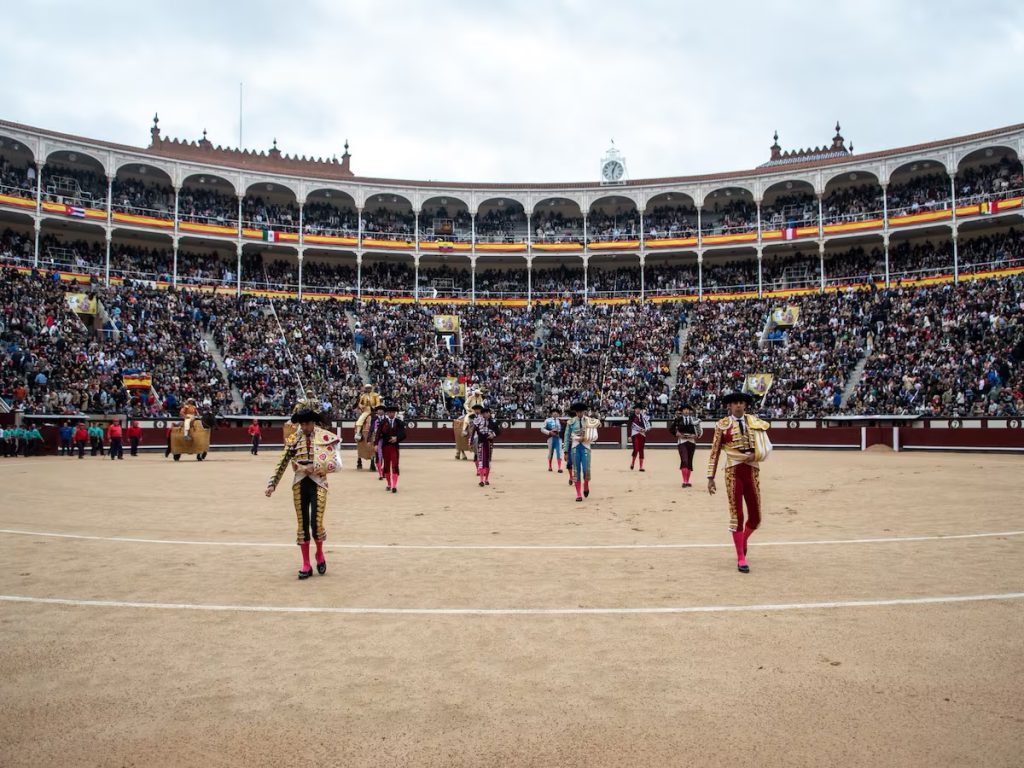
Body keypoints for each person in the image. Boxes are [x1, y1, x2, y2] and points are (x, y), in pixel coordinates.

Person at [266, 401, 342, 580]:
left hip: (318, 482)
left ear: (313, 423)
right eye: (302, 424)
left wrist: (317, 468)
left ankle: (319, 554)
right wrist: (272, 484)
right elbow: (283, 461)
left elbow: (336, 463)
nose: (304, 427)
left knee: (316, 523)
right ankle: (306, 564)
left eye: (307, 423)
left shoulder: (325, 437)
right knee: (302, 524)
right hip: (300, 483)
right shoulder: (294, 439)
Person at [707, 392, 772, 574]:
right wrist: (710, 477)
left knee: (756, 518)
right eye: (735, 403)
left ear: (745, 405)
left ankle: (743, 540)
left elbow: (765, 446)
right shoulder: (722, 425)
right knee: (737, 515)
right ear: (729, 406)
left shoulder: (754, 422)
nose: (738, 405)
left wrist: (756, 455)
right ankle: (741, 557)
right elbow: (715, 451)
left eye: (741, 403)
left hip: (752, 471)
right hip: (733, 472)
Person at [568, 402, 601, 502]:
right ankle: (578, 494)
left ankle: (586, 484)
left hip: (586, 447)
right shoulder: (570, 422)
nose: (579, 413)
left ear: (584, 411)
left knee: (586, 469)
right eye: (578, 412)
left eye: (581, 411)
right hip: (575, 447)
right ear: (575, 412)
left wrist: (598, 424)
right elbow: (566, 436)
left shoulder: (589, 420)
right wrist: (565, 451)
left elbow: (598, 424)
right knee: (576, 470)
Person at [668, 402, 703, 487]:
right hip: (682, 441)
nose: (686, 411)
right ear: (682, 411)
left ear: (690, 411)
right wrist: (676, 433)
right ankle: (684, 481)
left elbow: (699, 431)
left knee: (689, 461)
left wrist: (696, 435)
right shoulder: (678, 419)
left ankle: (687, 481)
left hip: (691, 441)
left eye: (687, 409)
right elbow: (671, 429)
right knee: (684, 460)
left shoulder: (694, 420)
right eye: (684, 409)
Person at [377, 402, 407, 493]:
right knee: (386, 465)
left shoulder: (399, 422)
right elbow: (378, 434)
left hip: (394, 447)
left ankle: (394, 485)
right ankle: (389, 484)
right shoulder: (383, 422)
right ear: (387, 413)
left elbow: (403, 434)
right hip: (385, 447)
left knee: (394, 465)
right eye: (389, 412)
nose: (391, 414)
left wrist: (397, 438)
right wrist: (376, 444)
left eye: (393, 412)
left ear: (395, 413)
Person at [469, 404, 501, 486]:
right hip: (481, 443)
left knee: (488, 461)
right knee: (481, 461)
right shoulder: (478, 420)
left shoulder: (493, 422)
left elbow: (498, 431)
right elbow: (473, 431)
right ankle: (481, 480)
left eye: (486, 413)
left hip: (489, 443)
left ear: (489, 413)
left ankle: (486, 479)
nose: (485, 414)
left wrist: (493, 434)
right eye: (483, 413)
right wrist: (471, 441)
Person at [353, 384, 381, 470]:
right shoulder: (363, 396)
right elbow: (360, 404)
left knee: (382, 420)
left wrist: (375, 408)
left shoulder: (375, 395)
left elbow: (378, 403)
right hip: (366, 411)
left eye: (369, 388)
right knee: (359, 421)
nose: (368, 389)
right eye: (367, 388)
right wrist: (363, 406)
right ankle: (358, 433)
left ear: (371, 388)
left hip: (374, 411)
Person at [628, 403, 651, 471]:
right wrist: (629, 436)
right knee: (636, 448)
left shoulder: (643, 417)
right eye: (636, 409)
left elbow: (648, 425)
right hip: (634, 434)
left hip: (642, 434)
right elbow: (629, 426)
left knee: (641, 450)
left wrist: (645, 429)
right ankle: (632, 463)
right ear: (635, 410)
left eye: (639, 409)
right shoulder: (632, 416)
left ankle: (641, 467)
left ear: (640, 410)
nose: (637, 410)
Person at [540, 407, 563, 473]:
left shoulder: (561, 421)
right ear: (551, 414)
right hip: (551, 438)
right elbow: (542, 429)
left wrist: (560, 434)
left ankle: (559, 468)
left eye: (556, 412)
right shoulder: (547, 420)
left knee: (559, 452)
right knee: (550, 452)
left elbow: (564, 430)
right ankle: (550, 466)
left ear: (558, 414)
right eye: (554, 412)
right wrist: (549, 432)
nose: (555, 413)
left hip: (558, 438)